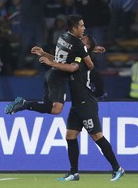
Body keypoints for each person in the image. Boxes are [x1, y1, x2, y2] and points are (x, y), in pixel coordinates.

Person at [37, 46, 125, 182]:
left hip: (86, 104)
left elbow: (69, 67)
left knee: (97, 136)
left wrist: (51, 63)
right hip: (77, 105)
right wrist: (44, 54)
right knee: (70, 136)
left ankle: (117, 168)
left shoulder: (80, 62)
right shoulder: (76, 58)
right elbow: (61, 61)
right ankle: (74, 173)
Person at [4, 14, 94, 115]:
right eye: (81, 26)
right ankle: (24, 104)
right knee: (56, 110)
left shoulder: (63, 37)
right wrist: (83, 57)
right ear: (74, 28)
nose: (84, 28)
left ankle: (23, 104)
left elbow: (60, 60)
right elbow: (87, 66)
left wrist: (44, 54)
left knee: (47, 107)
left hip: (50, 75)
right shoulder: (79, 45)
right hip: (58, 78)